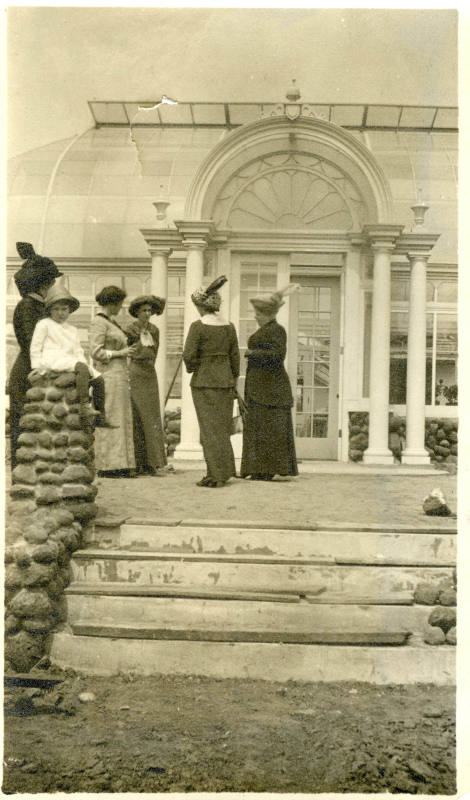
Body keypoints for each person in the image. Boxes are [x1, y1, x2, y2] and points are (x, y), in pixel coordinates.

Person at [8, 242, 63, 469]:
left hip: (36, 369)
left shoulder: (37, 307)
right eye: (51, 283)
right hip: (28, 372)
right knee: (25, 428)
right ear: (44, 285)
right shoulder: (28, 307)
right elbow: (33, 343)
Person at [30, 281, 114, 429]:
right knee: (80, 368)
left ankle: (101, 415)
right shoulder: (44, 324)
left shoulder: (72, 329)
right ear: (50, 310)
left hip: (72, 361)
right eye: (56, 309)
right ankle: (84, 406)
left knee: (99, 379)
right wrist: (36, 367)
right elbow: (35, 347)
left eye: (64, 309)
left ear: (69, 310)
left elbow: (78, 350)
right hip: (52, 359)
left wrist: (85, 367)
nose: (61, 313)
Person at [183, 276, 240, 488]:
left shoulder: (198, 327)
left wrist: (195, 367)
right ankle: (223, 471)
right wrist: (233, 380)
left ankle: (215, 475)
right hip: (225, 382)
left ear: (200, 306)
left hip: (205, 382)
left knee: (208, 429)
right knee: (222, 429)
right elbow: (235, 358)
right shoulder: (229, 327)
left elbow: (189, 355)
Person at [241, 285, 298, 481]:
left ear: (267, 314)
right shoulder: (269, 329)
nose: (256, 317)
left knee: (268, 429)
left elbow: (278, 355)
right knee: (261, 428)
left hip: (271, 390)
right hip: (263, 388)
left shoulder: (277, 330)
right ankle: (258, 469)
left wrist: (252, 353)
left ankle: (265, 470)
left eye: (258, 313)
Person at [89, 286, 138, 478]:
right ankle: (108, 465)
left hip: (119, 374)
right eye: (119, 304)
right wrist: (120, 353)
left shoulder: (111, 322)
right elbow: (96, 352)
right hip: (108, 375)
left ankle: (121, 463)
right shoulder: (98, 323)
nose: (121, 307)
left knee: (121, 416)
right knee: (110, 415)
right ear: (112, 303)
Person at [126, 295, 169, 476]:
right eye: (144, 310)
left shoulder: (155, 330)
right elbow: (127, 352)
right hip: (135, 372)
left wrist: (149, 364)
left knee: (151, 417)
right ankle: (137, 462)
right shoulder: (130, 329)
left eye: (150, 311)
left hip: (149, 374)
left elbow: (155, 351)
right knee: (137, 415)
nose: (147, 314)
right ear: (137, 312)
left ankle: (153, 462)